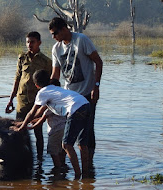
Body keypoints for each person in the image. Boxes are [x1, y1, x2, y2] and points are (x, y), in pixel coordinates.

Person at [11, 69, 91, 179]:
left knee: (66, 145)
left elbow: (32, 112)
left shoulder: (43, 92)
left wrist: (21, 128)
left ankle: (78, 176)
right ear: (48, 80)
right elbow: (38, 114)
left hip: (75, 108)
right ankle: (86, 175)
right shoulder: (55, 89)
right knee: (82, 143)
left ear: (36, 85)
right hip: (86, 104)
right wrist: (22, 123)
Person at [48, 17, 103, 166]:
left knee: (87, 130)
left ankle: (88, 165)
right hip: (69, 97)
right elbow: (55, 74)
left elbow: (98, 62)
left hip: (86, 94)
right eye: (52, 35)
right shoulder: (56, 49)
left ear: (64, 29)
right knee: (68, 131)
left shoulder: (81, 40)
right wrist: (49, 92)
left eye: (55, 33)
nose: (54, 37)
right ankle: (69, 164)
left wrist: (96, 86)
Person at [5, 31, 52, 159]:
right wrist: (11, 100)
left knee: (37, 132)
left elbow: (50, 84)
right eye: (27, 42)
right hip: (22, 101)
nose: (29, 45)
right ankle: (20, 157)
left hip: (37, 102)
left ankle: (40, 159)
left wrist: (48, 103)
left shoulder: (46, 61)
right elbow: (17, 79)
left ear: (39, 43)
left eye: (32, 42)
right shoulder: (22, 58)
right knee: (19, 130)